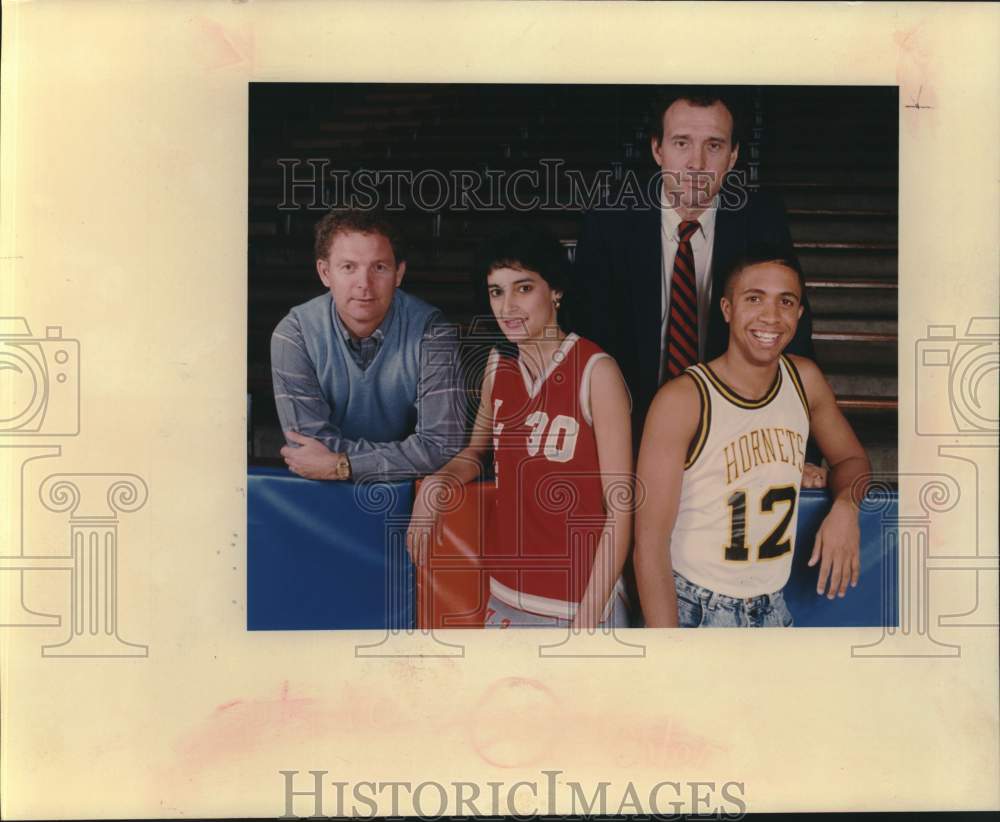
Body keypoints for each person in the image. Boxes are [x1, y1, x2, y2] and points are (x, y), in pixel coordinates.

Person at [572, 86, 826, 487]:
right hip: (630, 433)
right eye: (681, 143)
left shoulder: (761, 220)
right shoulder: (610, 221)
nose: (696, 162)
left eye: (713, 145)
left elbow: (789, 340)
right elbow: (587, 343)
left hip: (730, 435)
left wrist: (801, 452)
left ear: (733, 155)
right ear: (657, 150)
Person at [406, 225, 633, 629]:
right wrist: (439, 482)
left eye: (523, 288)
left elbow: (620, 506)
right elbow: (475, 454)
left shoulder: (596, 372)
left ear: (556, 290)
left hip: (578, 603)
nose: (508, 306)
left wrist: (588, 619)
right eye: (497, 291)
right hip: (506, 595)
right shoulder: (498, 367)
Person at [634, 247, 870, 628]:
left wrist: (847, 507)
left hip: (772, 608)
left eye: (786, 301)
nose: (770, 316)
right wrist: (668, 652)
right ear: (727, 309)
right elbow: (649, 545)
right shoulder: (684, 399)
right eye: (754, 298)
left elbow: (853, 462)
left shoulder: (804, 380)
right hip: (695, 608)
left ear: (799, 314)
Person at [270, 209, 464, 482]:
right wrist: (405, 458)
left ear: (399, 273)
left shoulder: (432, 333)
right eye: (348, 267)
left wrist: (342, 464)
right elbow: (307, 449)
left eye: (379, 267)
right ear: (325, 273)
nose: (364, 284)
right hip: (321, 495)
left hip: (406, 497)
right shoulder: (294, 335)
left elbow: (441, 446)